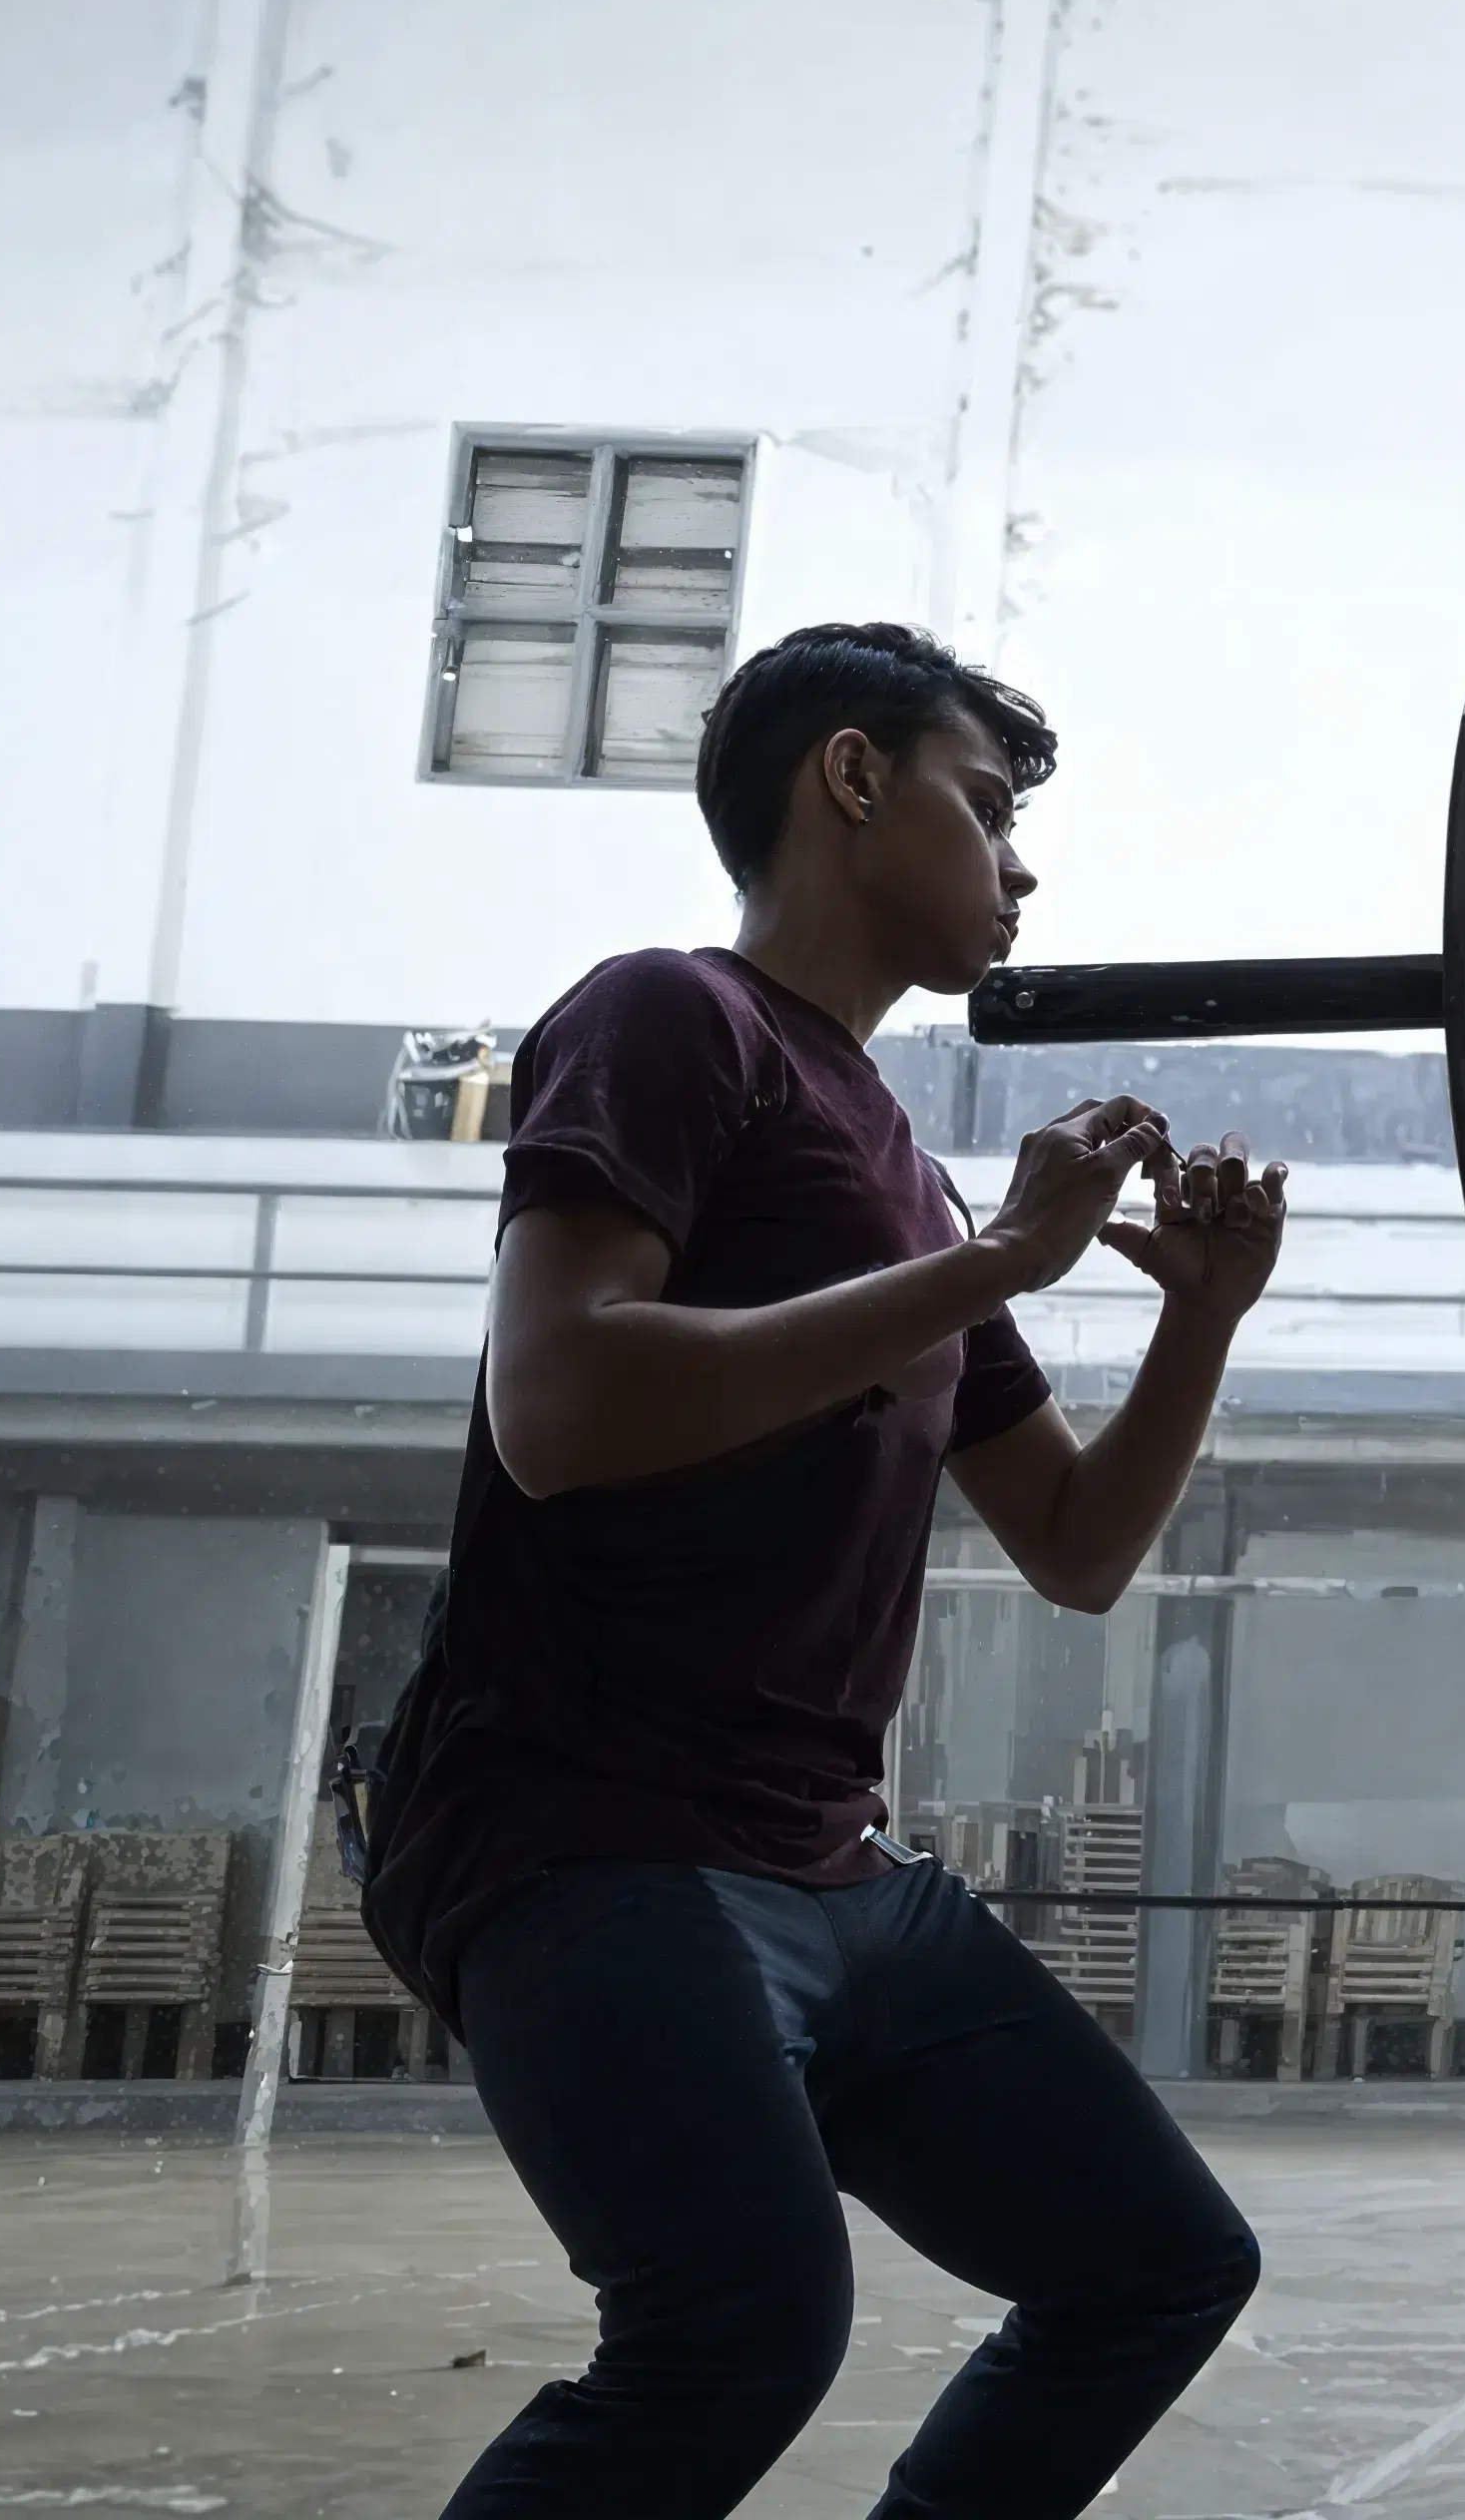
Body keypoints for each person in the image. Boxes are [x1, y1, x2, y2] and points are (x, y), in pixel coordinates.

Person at [359, 624, 1285, 2520]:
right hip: (589, 1832)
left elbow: (1078, 1544)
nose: (1021, 865)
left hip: (826, 1862)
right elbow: (558, 1402)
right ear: (852, 779)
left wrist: (1195, 1320)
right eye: (990, 805)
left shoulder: (916, 1182)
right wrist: (1002, 1264)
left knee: (1156, 2262)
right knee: (738, 2330)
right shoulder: (667, 1017)